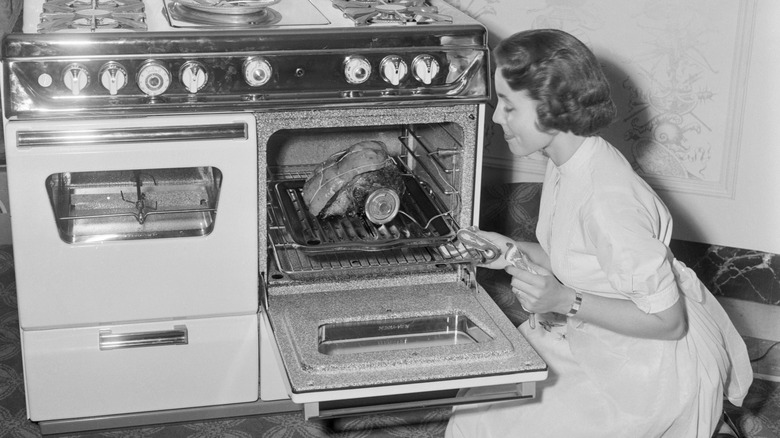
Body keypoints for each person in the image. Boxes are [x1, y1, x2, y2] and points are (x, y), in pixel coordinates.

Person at [446, 29, 753, 438]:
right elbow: (582, 259)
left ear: (550, 109)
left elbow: (668, 322)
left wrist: (562, 300)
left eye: (507, 106)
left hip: (649, 368)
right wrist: (508, 250)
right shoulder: (568, 158)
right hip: (600, 337)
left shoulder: (607, 200)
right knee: (477, 414)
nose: (497, 117)